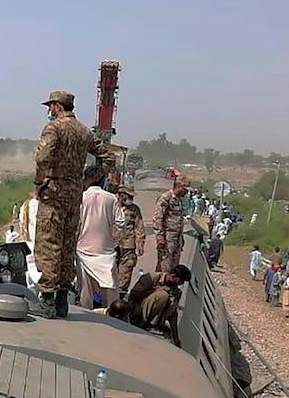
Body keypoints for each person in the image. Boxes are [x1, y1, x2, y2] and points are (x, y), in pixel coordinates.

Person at [31, 90, 116, 318]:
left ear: (57, 107)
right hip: (74, 195)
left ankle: (47, 300)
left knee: (49, 244)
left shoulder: (54, 128)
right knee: (68, 245)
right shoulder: (84, 131)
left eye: (51, 107)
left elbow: (42, 158)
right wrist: (89, 178)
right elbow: (109, 158)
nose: (49, 111)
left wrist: (41, 183)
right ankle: (62, 301)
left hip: (54, 194)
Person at [75, 166, 117, 309]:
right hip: (106, 253)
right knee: (110, 292)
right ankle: (112, 318)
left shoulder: (81, 198)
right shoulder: (111, 199)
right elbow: (120, 223)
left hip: (83, 251)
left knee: (85, 293)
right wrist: (113, 241)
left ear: (86, 180)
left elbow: (75, 223)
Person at [127, 265, 192, 345]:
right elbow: (134, 294)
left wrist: (176, 337)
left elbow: (173, 314)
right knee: (162, 295)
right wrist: (154, 290)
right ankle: (146, 324)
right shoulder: (152, 277)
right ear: (174, 276)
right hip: (137, 312)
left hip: (158, 321)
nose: (181, 284)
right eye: (181, 281)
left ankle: (156, 325)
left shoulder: (175, 291)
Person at [152, 179, 188, 272]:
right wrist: (160, 238)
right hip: (167, 239)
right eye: (185, 189)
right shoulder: (165, 198)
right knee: (164, 267)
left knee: (173, 268)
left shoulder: (179, 200)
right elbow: (158, 219)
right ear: (179, 187)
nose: (187, 192)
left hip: (176, 239)